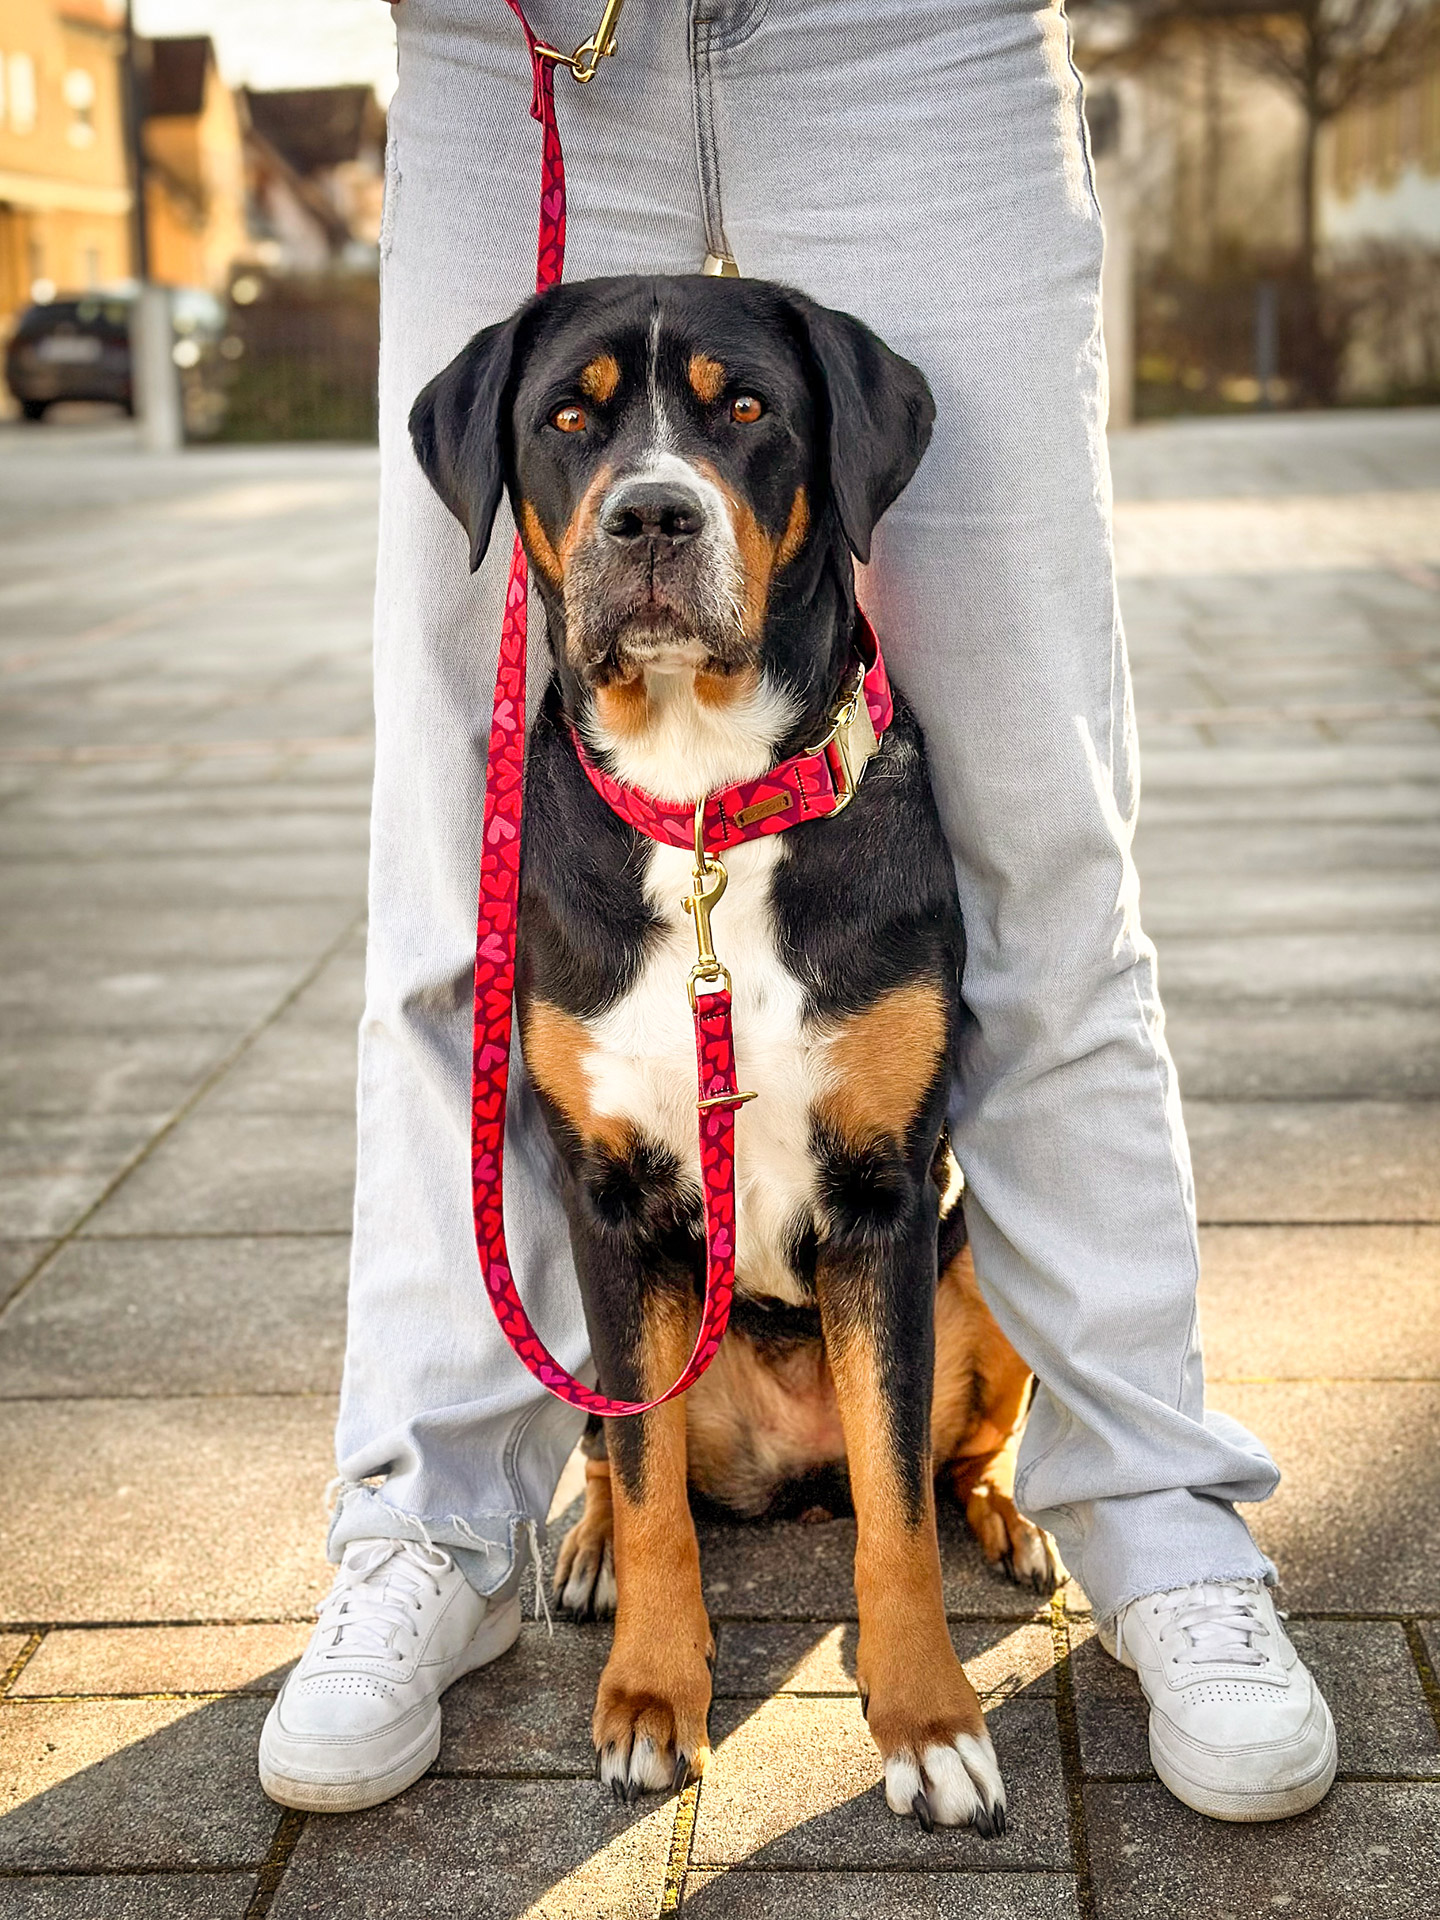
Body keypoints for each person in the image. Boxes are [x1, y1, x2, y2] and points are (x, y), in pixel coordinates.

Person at [258, 0, 1337, 1825]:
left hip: (910, 39)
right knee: (455, 900)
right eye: (586, 446)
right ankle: (432, 1524)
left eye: (732, 431)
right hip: (519, 49)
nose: (651, 497)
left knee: (1049, 860)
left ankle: (1156, 1511)